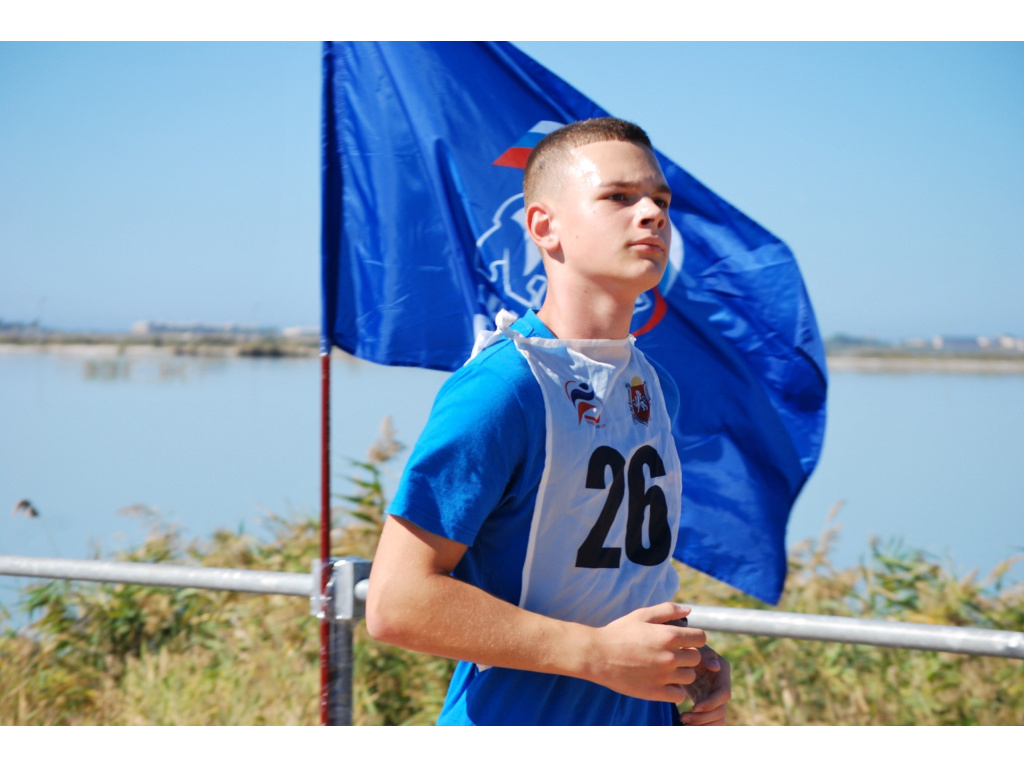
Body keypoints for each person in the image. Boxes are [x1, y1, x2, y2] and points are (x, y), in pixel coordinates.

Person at [366, 117, 731, 726]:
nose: (652, 214)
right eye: (619, 197)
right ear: (544, 226)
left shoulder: (653, 385)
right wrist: (596, 655)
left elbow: (611, 581)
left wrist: (681, 660)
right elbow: (397, 602)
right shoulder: (504, 387)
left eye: (661, 201)